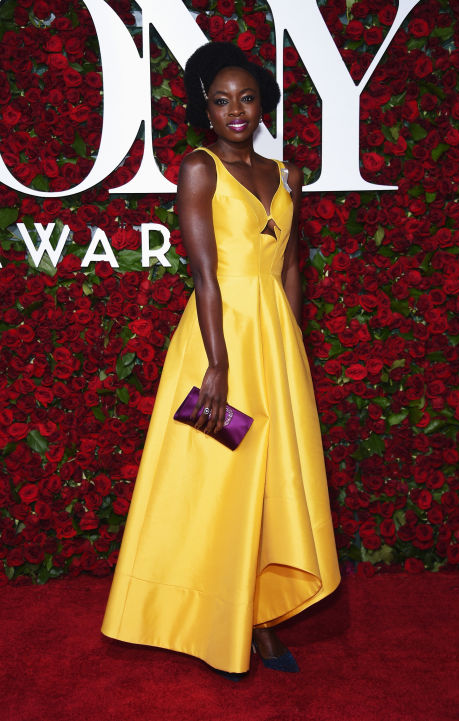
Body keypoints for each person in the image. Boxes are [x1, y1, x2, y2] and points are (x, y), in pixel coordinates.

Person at [101, 41, 341, 677]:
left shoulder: (288, 175)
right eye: (221, 101)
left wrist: (288, 345)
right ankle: (215, 622)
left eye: (247, 98)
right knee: (218, 483)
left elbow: (291, 266)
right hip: (217, 342)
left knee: (271, 481)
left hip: (273, 344)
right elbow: (205, 276)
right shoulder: (198, 169)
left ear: (264, 105)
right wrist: (218, 366)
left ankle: (262, 620)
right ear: (205, 111)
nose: (236, 110)